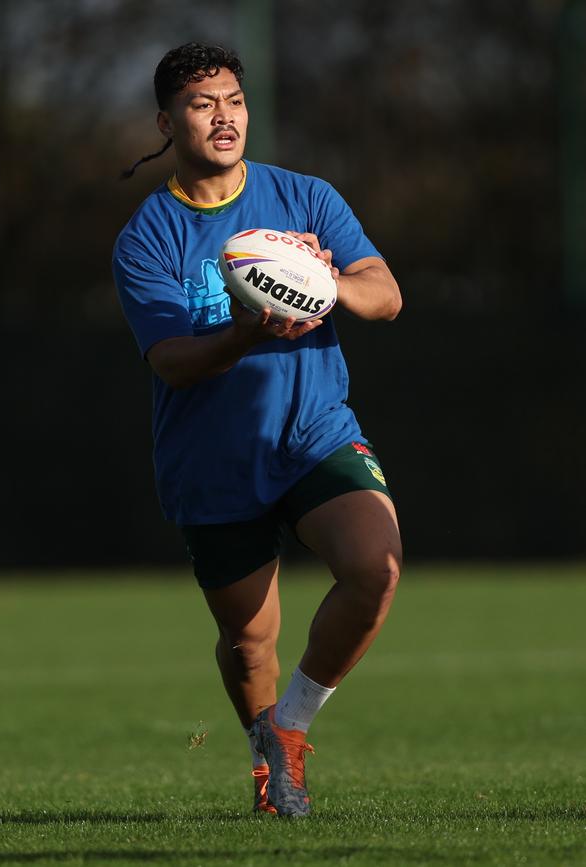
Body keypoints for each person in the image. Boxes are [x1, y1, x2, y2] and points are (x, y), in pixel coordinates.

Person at [113, 42, 403, 818]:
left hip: (315, 433)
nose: (223, 116)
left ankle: (291, 734)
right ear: (167, 120)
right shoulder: (148, 236)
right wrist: (245, 332)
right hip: (214, 459)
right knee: (249, 643)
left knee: (375, 566)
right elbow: (172, 361)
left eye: (234, 101)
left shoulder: (304, 197)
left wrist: (323, 282)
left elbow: (386, 295)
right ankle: (264, 759)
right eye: (204, 103)